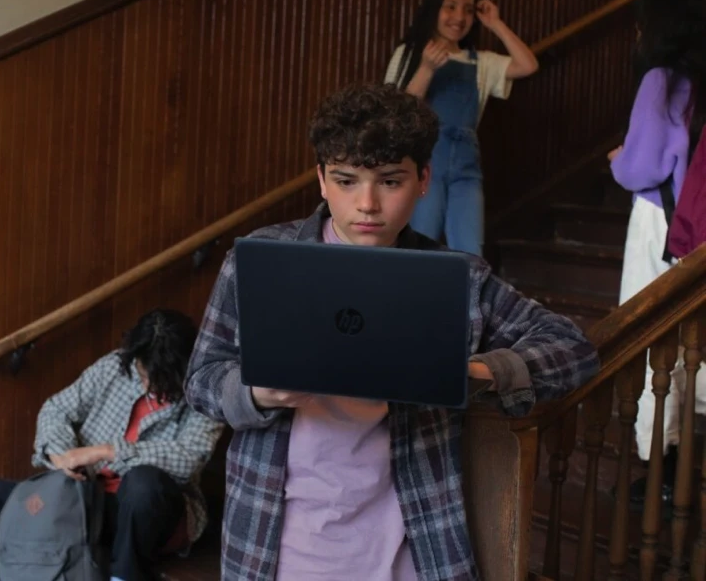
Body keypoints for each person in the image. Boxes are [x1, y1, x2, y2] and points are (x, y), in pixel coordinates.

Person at [184, 83, 599, 581]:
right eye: (345, 180)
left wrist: (482, 371)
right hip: (274, 541)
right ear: (320, 180)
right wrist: (255, 391)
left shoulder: (457, 277)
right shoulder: (258, 260)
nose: (367, 204)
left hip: (413, 544)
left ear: (424, 179)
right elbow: (202, 378)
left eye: (389, 181)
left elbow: (573, 347)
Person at [0, 309, 225, 581]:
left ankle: (122, 576)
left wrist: (105, 451)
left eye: (156, 380)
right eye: (143, 373)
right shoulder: (116, 366)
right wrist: (62, 458)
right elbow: (56, 410)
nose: (147, 385)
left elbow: (190, 456)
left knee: (143, 482)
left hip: (145, 513)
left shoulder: (203, 392)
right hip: (85, 497)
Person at [608, 0, 706, 505]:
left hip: (658, 224)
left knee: (649, 341)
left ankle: (661, 467)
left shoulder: (662, 79)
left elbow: (643, 166)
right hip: (698, 233)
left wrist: (619, 160)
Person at [383, 0, 538, 256]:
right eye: (450, 7)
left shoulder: (481, 62)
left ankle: (467, 300)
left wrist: (496, 23)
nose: (459, 17)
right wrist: (427, 68)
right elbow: (397, 111)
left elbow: (528, 65)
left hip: (467, 168)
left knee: (470, 249)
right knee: (420, 241)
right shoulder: (409, 54)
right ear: (434, 10)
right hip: (422, 165)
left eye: (467, 10)